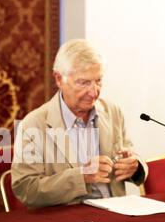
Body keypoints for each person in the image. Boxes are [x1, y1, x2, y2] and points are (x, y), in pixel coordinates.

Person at [11, 39, 148, 208]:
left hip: (115, 213)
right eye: (84, 82)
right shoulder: (33, 124)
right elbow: (26, 189)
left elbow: (131, 155)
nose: (94, 92)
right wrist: (81, 177)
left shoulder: (113, 112)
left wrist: (134, 167)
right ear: (59, 79)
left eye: (98, 81)